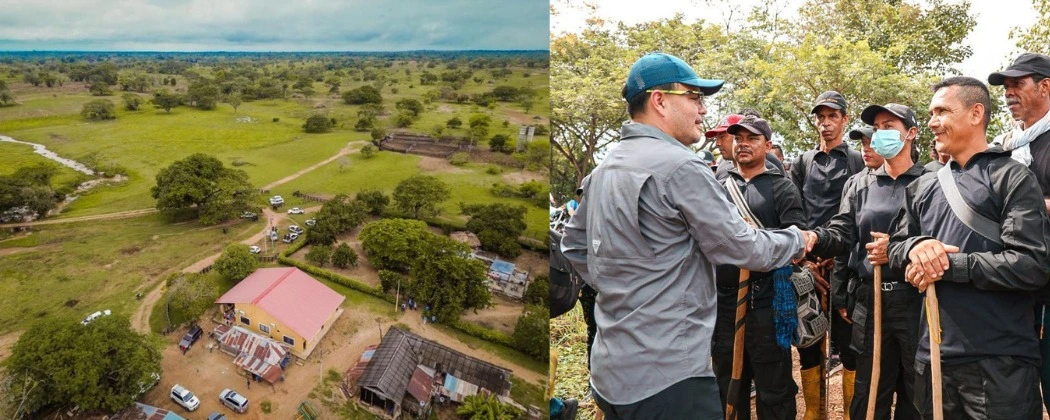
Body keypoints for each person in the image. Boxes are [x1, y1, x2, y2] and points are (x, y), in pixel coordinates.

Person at [561, 52, 805, 420]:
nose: (703, 110)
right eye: (694, 97)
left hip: (613, 372)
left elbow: (574, 247)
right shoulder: (680, 166)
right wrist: (799, 240)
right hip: (669, 378)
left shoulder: (604, 169)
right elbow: (742, 246)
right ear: (660, 100)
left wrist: (629, 288)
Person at [876, 76, 1050, 419]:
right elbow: (895, 246)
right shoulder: (924, 185)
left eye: (942, 111)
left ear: (975, 113)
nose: (932, 122)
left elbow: (1031, 264)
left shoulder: (1011, 178)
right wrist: (917, 246)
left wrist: (948, 264)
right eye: (930, 113)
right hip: (933, 357)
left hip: (999, 360)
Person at [804, 103, 927, 420]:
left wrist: (901, 249)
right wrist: (814, 239)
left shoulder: (932, 181)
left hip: (917, 301)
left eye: (889, 126)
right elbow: (842, 233)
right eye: (877, 127)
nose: (881, 133)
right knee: (869, 393)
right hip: (871, 300)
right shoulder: (859, 184)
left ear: (911, 133)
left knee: (917, 393)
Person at [711, 116, 803, 420]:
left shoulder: (783, 188)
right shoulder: (718, 190)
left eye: (752, 139)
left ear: (768, 145)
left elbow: (797, 241)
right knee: (728, 385)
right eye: (738, 139)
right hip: (724, 302)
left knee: (773, 389)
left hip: (767, 304)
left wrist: (755, 240)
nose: (743, 144)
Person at [789, 90, 865, 420]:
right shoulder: (803, 162)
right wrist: (806, 258)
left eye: (832, 116)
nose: (826, 123)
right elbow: (794, 210)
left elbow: (860, 212)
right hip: (808, 264)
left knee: (848, 344)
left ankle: (849, 413)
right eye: (820, 117)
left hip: (845, 264)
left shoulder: (858, 160)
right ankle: (813, 414)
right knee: (808, 342)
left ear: (844, 120)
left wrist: (840, 252)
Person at [988, 52, 1050, 414]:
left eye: (1017, 84)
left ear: (1045, 86)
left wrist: (1022, 208)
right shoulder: (1008, 146)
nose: (1009, 93)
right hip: (1020, 287)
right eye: (1006, 87)